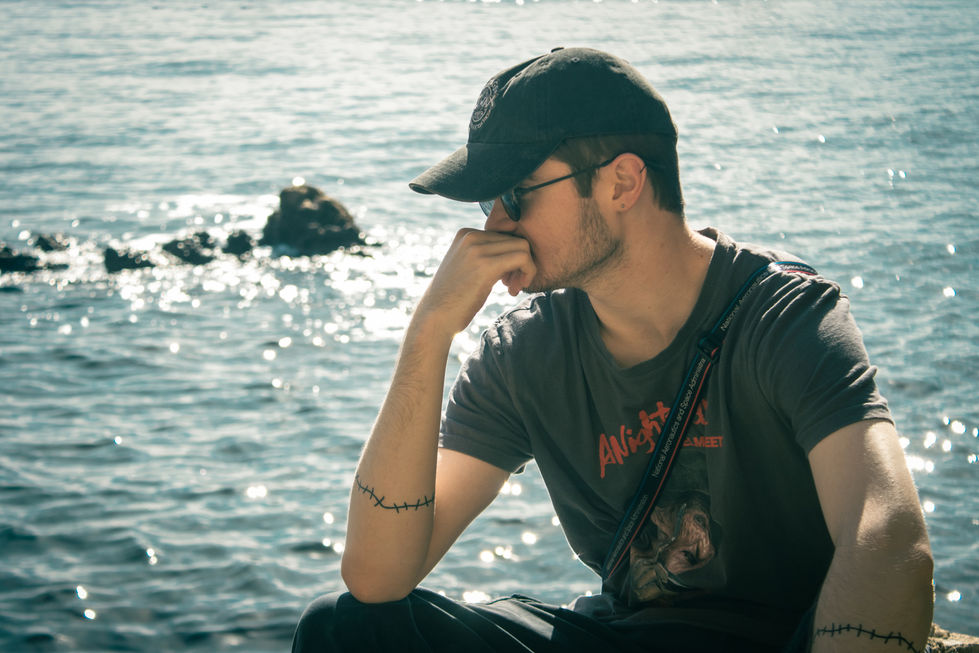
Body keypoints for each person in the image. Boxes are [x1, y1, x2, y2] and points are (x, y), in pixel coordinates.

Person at [293, 47, 934, 652]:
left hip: (776, 639)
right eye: (488, 202)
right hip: (622, 636)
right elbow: (378, 578)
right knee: (340, 630)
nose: (490, 228)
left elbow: (886, 535)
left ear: (622, 182)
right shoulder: (524, 353)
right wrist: (426, 337)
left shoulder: (782, 316)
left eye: (514, 195)